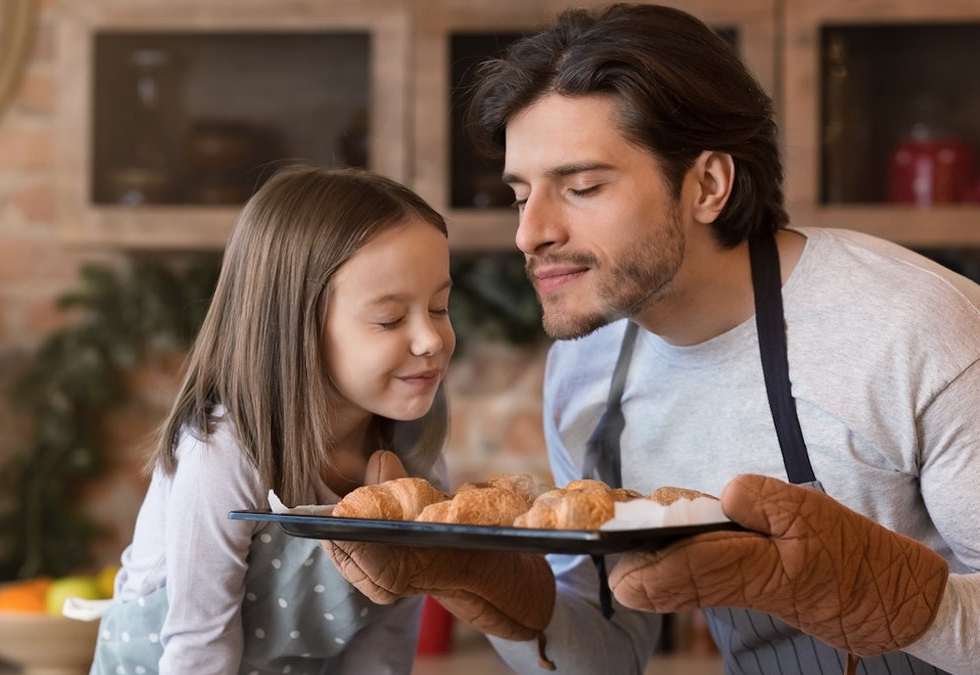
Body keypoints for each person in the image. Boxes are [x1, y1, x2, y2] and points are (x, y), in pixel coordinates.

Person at [327, 4, 979, 674]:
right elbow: (607, 653)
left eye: (580, 186)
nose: (530, 234)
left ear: (708, 185)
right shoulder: (585, 371)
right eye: (522, 195)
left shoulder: (915, 331)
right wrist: (489, 587)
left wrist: (904, 603)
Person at [88, 165, 457, 675]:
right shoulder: (223, 452)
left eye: (440, 307)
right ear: (295, 326)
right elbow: (201, 648)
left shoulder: (417, 461)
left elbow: (384, 646)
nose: (432, 339)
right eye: (391, 318)